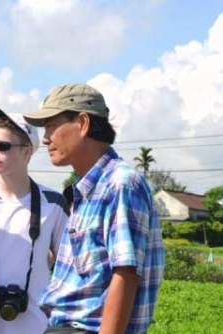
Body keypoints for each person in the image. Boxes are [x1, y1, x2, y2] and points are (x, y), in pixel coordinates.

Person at [23, 83, 165, 334]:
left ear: (83, 123)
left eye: (52, 126)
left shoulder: (119, 183)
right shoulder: (85, 190)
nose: (45, 139)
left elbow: (126, 274)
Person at [0, 108, 69, 334]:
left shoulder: (53, 203)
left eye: (3, 146)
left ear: (27, 152)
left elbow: (69, 271)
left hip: (38, 327)